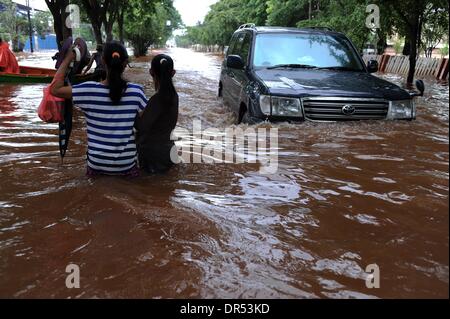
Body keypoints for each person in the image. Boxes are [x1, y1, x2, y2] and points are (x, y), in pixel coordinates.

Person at [51, 41, 148, 177]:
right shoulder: (136, 92)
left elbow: (54, 89)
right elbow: (147, 124)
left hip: (97, 164)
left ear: (102, 61)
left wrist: (68, 58)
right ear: (125, 63)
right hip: (125, 164)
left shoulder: (88, 90)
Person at [135, 54, 179, 174]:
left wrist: (133, 111)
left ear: (151, 72)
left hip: (152, 155)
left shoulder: (157, 99)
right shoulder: (174, 97)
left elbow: (141, 127)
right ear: (173, 73)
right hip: (169, 152)